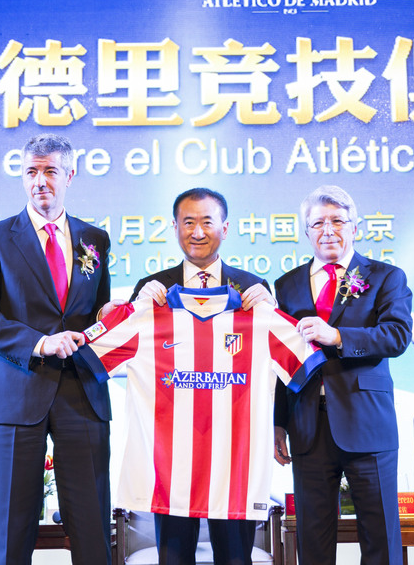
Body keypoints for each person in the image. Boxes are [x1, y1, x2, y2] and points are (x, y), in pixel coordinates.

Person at [0, 133, 113, 565]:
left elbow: (95, 313)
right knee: (13, 530)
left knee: (92, 526)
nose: (39, 181)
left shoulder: (94, 239)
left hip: (82, 394)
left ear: (70, 175)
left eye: (49, 171)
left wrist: (112, 316)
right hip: (14, 392)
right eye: (31, 171)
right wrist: (40, 343)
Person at [115, 187, 275, 565]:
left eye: (207, 222)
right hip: (171, 456)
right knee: (173, 558)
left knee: (236, 558)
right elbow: (122, 347)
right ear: (174, 228)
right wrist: (132, 307)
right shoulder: (152, 289)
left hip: (234, 453)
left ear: (225, 228)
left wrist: (278, 425)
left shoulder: (254, 288)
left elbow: (275, 363)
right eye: (188, 222)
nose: (198, 232)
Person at [273, 185, 412, 565]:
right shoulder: (287, 284)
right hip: (308, 426)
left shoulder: (385, 277)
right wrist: (279, 422)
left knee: (381, 539)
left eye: (337, 220)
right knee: (313, 542)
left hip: (367, 422)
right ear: (306, 232)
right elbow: (281, 358)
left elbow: (397, 336)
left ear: (355, 226)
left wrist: (336, 336)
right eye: (318, 223)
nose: (328, 230)